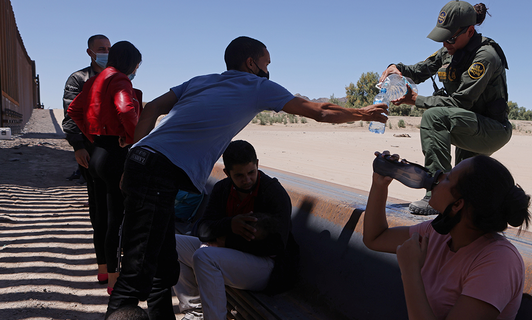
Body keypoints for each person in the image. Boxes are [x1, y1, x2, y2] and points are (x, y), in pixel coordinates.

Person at [106, 36, 387, 319]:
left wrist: (132, 156)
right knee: (137, 274)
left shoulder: (200, 80)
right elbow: (321, 111)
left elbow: (152, 107)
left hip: (142, 161)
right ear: (252, 63)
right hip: (157, 173)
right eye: (266, 63)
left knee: (164, 266)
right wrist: (362, 114)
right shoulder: (256, 86)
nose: (267, 70)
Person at [379, 1, 511, 215]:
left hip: (492, 129)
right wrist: (397, 69)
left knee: (434, 117)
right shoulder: (448, 52)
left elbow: (460, 103)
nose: (446, 43)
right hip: (468, 124)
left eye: (450, 38)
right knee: (465, 188)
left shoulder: (485, 56)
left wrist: (415, 99)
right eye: (443, 38)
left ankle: (436, 193)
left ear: (470, 31)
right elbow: (419, 70)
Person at [363, 151, 531, 320]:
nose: (438, 176)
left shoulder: (498, 261)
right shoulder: (438, 234)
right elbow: (376, 238)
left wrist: (410, 271)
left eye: (449, 178)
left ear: (458, 204)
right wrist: (379, 185)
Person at [174, 140, 298, 320]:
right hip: (229, 256)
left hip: (267, 267)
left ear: (257, 164)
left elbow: (276, 246)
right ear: (227, 173)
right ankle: (195, 313)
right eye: (239, 175)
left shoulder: (273, 193)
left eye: (251, 172)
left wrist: (228, 241)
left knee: (204, 257)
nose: (247, 180)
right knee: (174, 243)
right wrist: (229, 224)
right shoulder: (222, 188)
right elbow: (202, 229)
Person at [68, 40, 143, 294]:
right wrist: (133, 137)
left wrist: (92, 137)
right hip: (114, 155)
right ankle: (114, 280)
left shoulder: (94, 80)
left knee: (99, 215)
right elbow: (125, 108)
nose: (136, 71)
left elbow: (73, 109)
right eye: (136, 66)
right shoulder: (120, 79)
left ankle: (102, 269)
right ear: (129, 63)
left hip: (97, 152)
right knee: (116, 219)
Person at [62, 34, 111, 285]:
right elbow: (70, 116)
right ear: (90, 52)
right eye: (101, 49)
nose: (105, 52)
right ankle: (103, 265)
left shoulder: (117, 76)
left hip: (115, 154)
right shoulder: (78, 79)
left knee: (116, 212)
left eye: (109, 48)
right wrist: (78, 147)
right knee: (99, 213)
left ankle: (114, 265)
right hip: (91, 154)